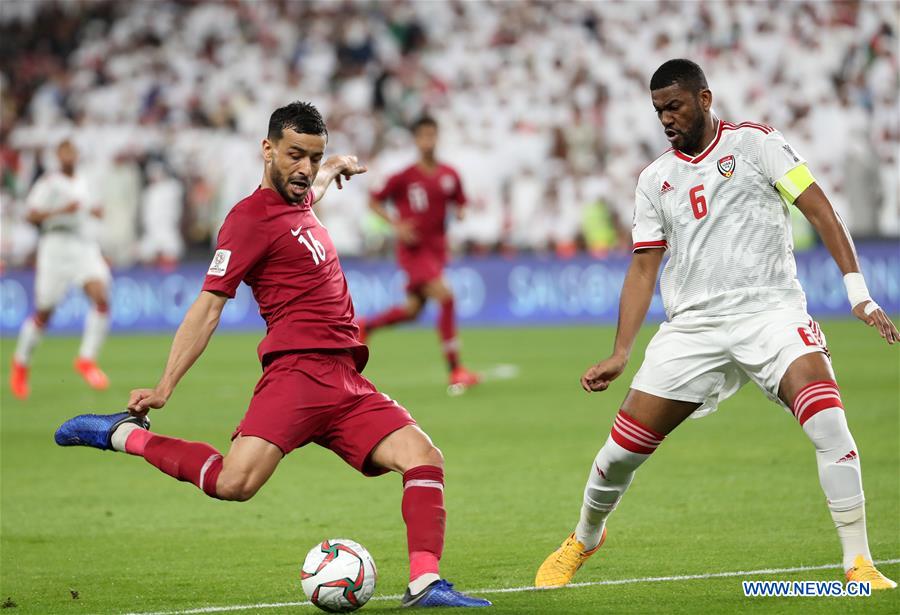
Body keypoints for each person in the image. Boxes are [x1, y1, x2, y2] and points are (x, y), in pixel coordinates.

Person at [54, 102, 490, 609]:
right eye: (295, 155)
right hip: (297, 375)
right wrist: (165, 385)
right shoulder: (246, 220)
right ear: (267, 150)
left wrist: (333, 167)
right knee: (232, 483)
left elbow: (311, 189)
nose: (305, 168)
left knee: (424, 458)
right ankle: (121, 434)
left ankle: (425, 585)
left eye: (313, 156)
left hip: (347, 380)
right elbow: (208, 307)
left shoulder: (301, 197)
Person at [535, 60, 898, 590]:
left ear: (705, 99)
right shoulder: (654, 179)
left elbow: (821, 210)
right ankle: (585, 538)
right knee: (618, 456)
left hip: (771, 314)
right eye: (658, 110)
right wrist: (620, 352)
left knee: (828, 422)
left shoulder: (758, 144)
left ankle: (859, 563)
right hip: (694, 328)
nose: (665, 118)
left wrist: (858, 295)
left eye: (674, 106)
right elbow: (642, 268)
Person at [358, 116, 480, 393]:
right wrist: (396, 225)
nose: (428, 141)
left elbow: (460, 201)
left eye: (432, 135)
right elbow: (373, 201)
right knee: (446, 298)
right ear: (415, 140)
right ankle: (455, 369)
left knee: (413, 311)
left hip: (436, 251)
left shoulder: (450, 174)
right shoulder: (404, 177)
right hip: (413, 251)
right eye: (423, 135)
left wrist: (460, 211)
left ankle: (367, 325)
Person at [10, 140, 111, 399]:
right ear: (58, 156)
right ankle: (21, 363)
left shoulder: (84, 181)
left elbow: (89, 209)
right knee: (45, 312)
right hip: (54, 246)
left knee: (101, 297)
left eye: (73, 152)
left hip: (81, 244)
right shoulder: (49, 183)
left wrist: (95, 212)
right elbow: (30, 215)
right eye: (65, 152)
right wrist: (58, 211)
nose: (69, 156)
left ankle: (86, 360)